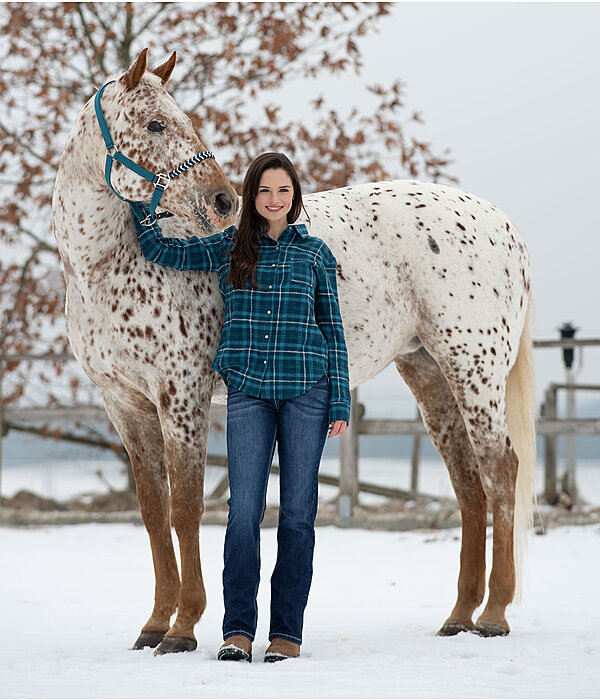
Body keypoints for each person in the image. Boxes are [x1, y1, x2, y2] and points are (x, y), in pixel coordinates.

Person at [134, 152, 351, 663]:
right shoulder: (230, 248)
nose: (274, 200)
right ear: (251, 196)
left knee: (298, 515)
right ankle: (236, 632)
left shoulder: (315, 254)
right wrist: (144, 201)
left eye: (283, 191)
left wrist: (339, 398)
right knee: (243, 514)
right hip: (248, 393)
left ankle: (287, 635)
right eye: (264, 191)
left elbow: (333, 331)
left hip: (307, 393)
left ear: (294, 195)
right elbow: (162, 250)